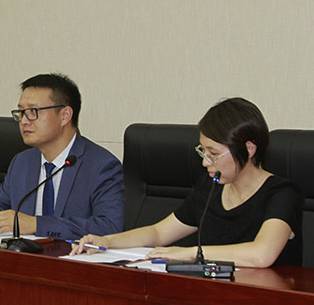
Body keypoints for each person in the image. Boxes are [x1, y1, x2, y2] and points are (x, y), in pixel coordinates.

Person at [70, 97, 304, 268]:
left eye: (213, 153)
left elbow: (261, 255)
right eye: (203, 152)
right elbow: (159, 233)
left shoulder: (282, 193)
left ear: (249, 149)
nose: (206, 162)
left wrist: (191, 253)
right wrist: (106, 241)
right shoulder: (210, 185)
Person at [0, 73, 124, 240]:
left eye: (33, 111)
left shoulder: (101, 166)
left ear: (65, 115)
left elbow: (110, 227)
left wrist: (37, 224)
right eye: (21, 112)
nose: (24, 121)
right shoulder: (22, 163)